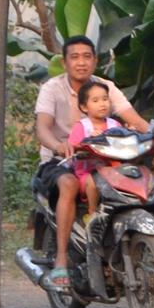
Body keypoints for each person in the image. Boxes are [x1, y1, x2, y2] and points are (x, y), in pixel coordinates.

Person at [35, 36, 145, 288]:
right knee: (70, 184)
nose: (81, 62)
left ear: (95, 61)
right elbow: (42, 127)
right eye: (74, 57)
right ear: (64, 62)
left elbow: (133, 119)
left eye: (87, 57)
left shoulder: (104, 87)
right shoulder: (52, 88)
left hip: (105, 160)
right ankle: (61, 260)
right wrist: (58, 145)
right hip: (62, 161)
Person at [57, 80, 117, 280]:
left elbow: (125, 138)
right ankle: (92, 215)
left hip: (111, 171)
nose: (102, 104)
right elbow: (73, 144)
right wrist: (85, 144)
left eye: (105, 99)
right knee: (93, 182)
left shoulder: (114, 125)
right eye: (96, 100)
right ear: (84, 107)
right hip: (86, 172)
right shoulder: (82, 126)